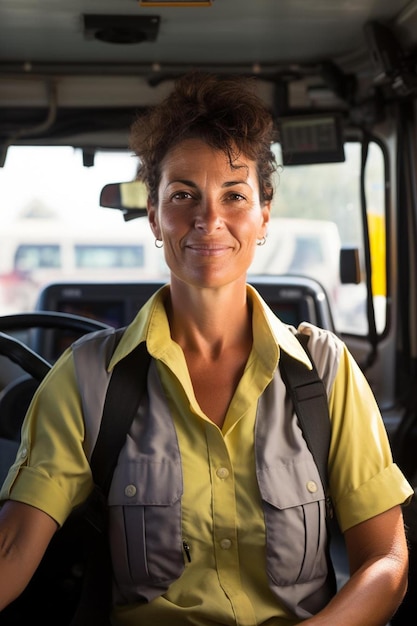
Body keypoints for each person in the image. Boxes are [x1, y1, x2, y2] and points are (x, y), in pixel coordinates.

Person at [0, 71, 414, 626]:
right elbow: (14, 545)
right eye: (182, 194)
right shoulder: (86, 378)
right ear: (153, 215)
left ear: (265, 213)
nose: (208, 219)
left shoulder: (326, 372)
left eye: (234, 195)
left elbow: (387, 561)